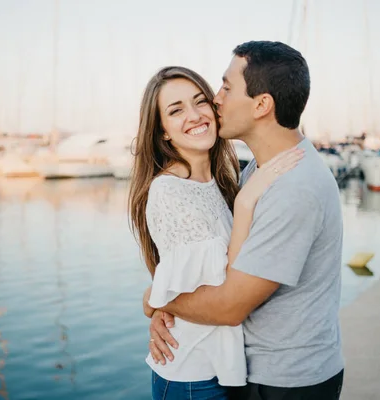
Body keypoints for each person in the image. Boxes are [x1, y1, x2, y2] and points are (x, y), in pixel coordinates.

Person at [145, 41, 345, 400]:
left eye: (225, 87)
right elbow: (198, 266)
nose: (216, 99)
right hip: (252, 371)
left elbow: (229, 306)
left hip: (286, 381)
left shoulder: (292, 186)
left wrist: (158, 299)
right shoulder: (258, 169)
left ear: (262, 105)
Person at [128, 66, 303, 400]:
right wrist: (247, 203)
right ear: (162, 131)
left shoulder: (220, 181)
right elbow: (226, 287)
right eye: (176, 110)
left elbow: (186, 282)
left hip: (223, 369)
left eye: (199, 102)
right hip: (191, 376)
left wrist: (157, 300)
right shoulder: (170, 191)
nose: (194, 116)